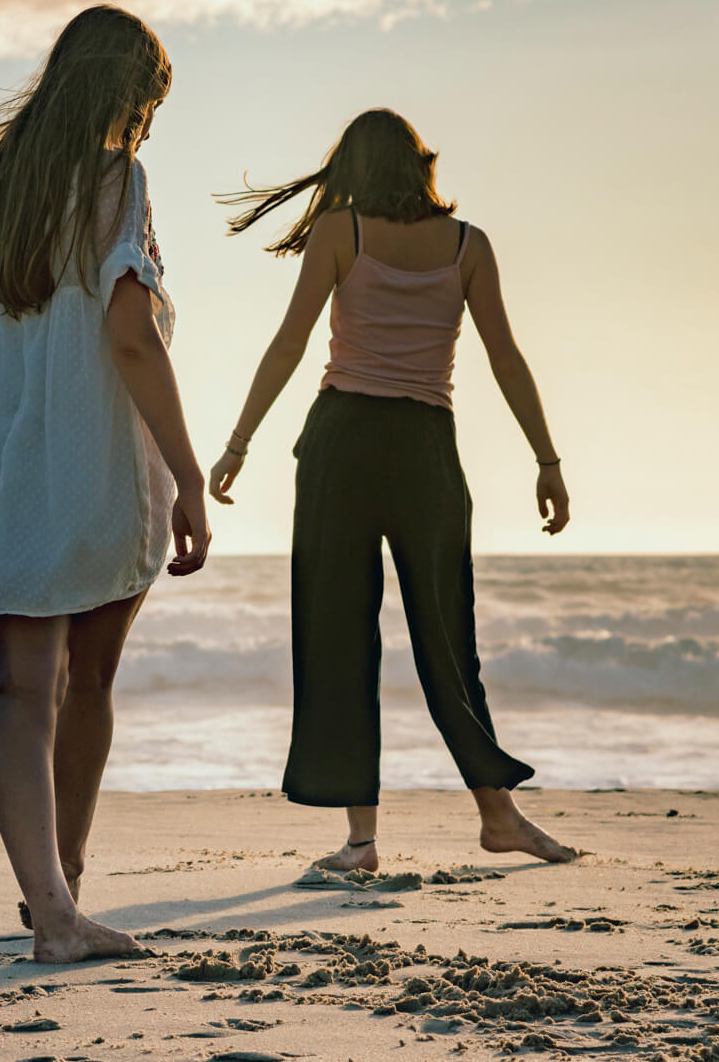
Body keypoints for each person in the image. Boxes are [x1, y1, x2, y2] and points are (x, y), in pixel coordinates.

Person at [209, 108, 575, 870]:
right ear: (418, 164)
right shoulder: (467, 244)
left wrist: (239, 442)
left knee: (339, 637)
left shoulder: (342, 232)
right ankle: (494, 816)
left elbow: (290, 342)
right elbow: (505, 357)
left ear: (354, 167)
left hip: (343, 443)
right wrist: (547, 459)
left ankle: (364, 840)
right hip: (424, 453)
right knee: (449, 638)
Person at [0, 4, 211, 962]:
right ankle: (60, 902)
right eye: (149, 100)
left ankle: (51, 904)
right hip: (100, 458)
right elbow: (131, 337)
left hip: (10, 463)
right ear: (126, 93)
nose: (148, 123)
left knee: (23, 690)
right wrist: (188, 475)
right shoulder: (118, 181)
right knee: (89, 679)